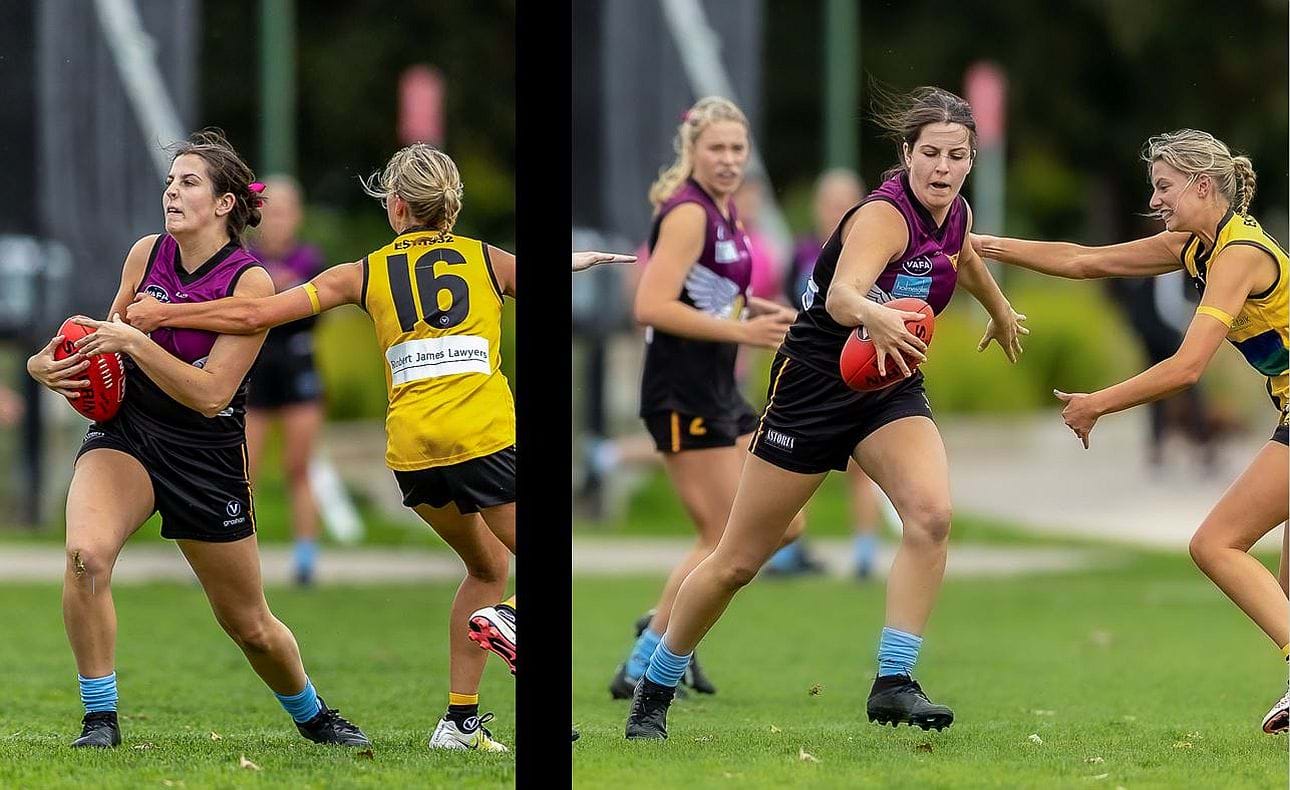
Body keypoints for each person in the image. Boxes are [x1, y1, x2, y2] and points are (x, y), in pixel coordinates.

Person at [625, 87, 1027, 740]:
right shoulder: (882, 216)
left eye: (956, 156)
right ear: (906, 154)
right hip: (814, 385)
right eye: (930, 154)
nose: (943, 168)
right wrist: (875, 312)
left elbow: (965, 256)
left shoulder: (953, 213)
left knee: (931, 515)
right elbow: (841, 295)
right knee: (736, 560)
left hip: (887, 385)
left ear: (971, 159)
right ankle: (657, 682)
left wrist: (1001, 310)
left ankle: (894, 683)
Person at [124, 143, 513, 751]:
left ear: (397, 207)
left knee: (488, 565)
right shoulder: (487, 260)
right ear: (452, 206)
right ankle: (507, 620)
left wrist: (167, 312)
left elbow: (257, 315)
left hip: (412, 452)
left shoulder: (359, 271)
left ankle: (459, 723)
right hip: (481, 435)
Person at [25, 129, 369, 749]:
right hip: (126, 432)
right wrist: (46, 365)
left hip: (204, 450)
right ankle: (99, 718)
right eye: (169, 181)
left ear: (224, 204)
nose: (172, 193)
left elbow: (211, 394)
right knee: (85, 557)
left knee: (250, 624)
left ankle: (314, 715)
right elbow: (100, 338)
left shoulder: (250, 283)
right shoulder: (145, 255)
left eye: (188, 183)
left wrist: (134, 341)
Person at [972, 128, 1288, 734]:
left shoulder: (1239, 254)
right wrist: (986, 246)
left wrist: (1097, 403)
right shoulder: (1198, 247)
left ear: (1203, 185)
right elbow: (1086, 261)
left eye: (1165, 188)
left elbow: (1188, 367)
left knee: (1215, 545)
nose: (1156, 200)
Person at [608, 96, 806, 702]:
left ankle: (656, 629)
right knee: (725, 536)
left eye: (737, 149)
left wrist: (771, 314)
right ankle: (649, 656)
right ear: (692, 151)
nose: (727, 159)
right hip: (681, 390)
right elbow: (651, 305)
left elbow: (716, 295)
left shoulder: (728, 212)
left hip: (721, 388)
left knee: (787, 523)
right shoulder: (687, 214)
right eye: (716, 148)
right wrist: (743, 332)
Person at [768, 168, 890, 579]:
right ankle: (788, 550)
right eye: (830, 203)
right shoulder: (804, 252)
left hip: (864, 372)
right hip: (815, 375)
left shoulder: (879, 247)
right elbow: (793, 306)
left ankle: (865, 552)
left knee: (862, 471)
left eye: (845, 203)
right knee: (800, 469)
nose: (837, 211)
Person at [244, 175, 328, 585]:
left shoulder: (311, 261)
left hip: (298, 368)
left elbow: (312, 309)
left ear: (296, 216)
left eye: (284, 213)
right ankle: (232, 557)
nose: (277, 221)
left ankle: (306, 557)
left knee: (299, 466)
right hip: (255, 369)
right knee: (243, 469)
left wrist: (277, 295)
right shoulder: (245, 262)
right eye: (270, 212)